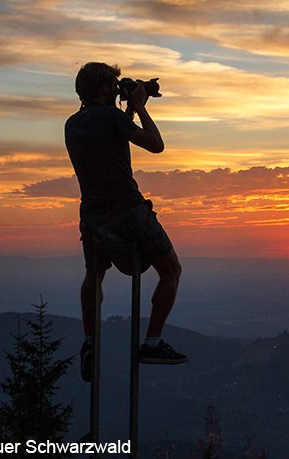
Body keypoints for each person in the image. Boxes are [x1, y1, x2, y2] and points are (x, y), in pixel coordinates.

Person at [65, 62, 187, 382]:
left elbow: (109, 137)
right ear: (105, 88)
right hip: (128, 212)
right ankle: (152, 342)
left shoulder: (73, 124)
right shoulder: (110, 118)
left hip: (91, 215)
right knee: (171, 270)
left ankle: (90, 341)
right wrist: (140, 107)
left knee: (95, 274)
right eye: (114, 83)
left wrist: (126, 111)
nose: (117, 87)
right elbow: (155, 144)